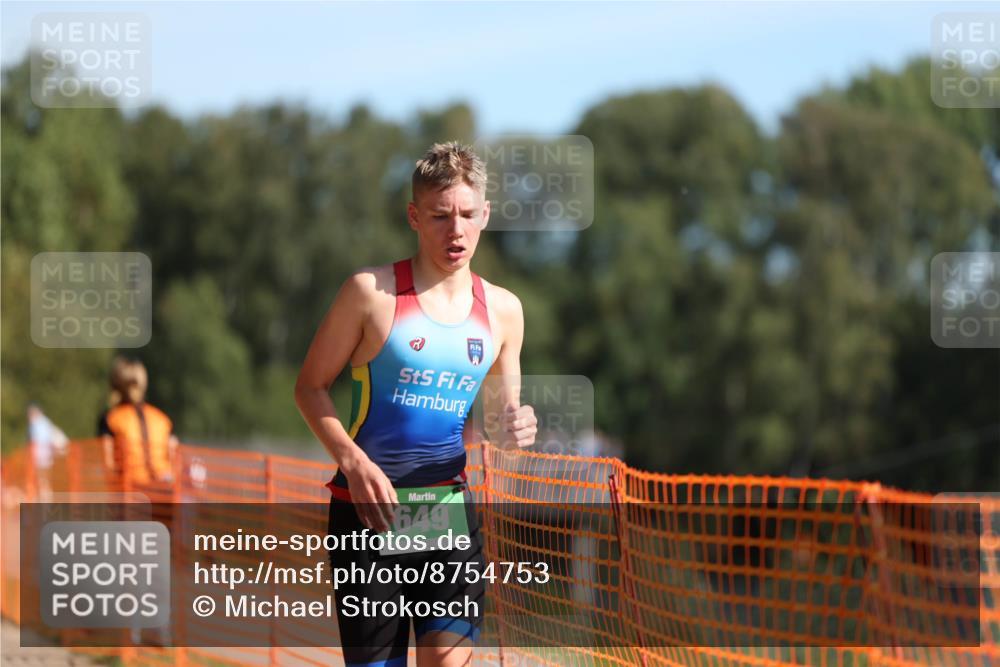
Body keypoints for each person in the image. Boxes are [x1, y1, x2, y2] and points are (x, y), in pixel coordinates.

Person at [295, 141, 538, 667]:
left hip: (446, 512)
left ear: (486, 215)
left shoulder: (504, 311)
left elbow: (498, 420)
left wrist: (515, 427)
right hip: (369, 515)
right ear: (414, 216)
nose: (456, 231)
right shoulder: (370, 294)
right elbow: (309, 387)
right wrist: (354, 463)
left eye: (469, 215)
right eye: (440, 216)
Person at [98, 356, 178, 487]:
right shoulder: (162, 419)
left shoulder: (111, 418)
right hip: (164, 492)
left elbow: (108, 464)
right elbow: (174, 457)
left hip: (129, 493)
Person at [27, 402, 68, 501]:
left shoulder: (39, 423)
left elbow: (39, 440)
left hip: (42, 456)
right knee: (44, 480)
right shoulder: (43, 422)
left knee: (43, 480)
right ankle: (45, 499)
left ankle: (45, 499)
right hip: (45, 456)